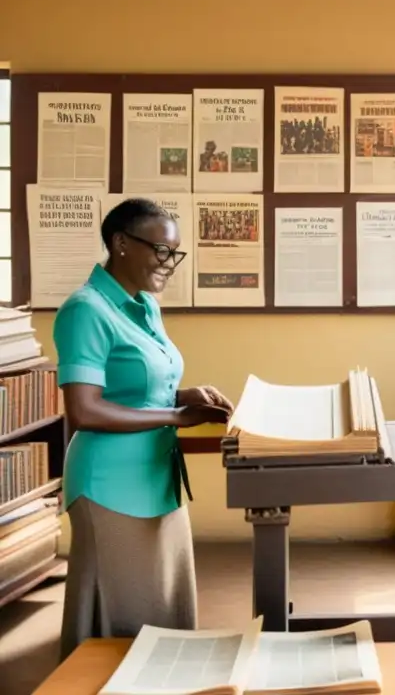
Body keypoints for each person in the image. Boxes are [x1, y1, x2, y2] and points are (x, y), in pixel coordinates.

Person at [55, 198, 234, 659]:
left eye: (174, 253)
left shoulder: (145, 306)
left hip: (156, 479)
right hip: (109, 486)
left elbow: (136, 390)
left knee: (164, 607)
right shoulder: (85, 310)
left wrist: (183, 396)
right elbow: (85, 409)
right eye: (160, 250)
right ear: (120, 244)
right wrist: (176, 418)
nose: (168, 264)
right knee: (121, 619)